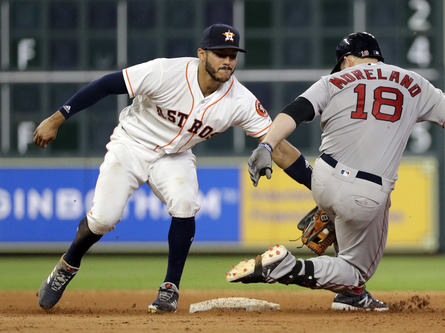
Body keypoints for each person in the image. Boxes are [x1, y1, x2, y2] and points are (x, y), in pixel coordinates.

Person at [33, 23, 314, 313]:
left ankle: (170, 289)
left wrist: (317, 184)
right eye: (220, 54)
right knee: (103, 220)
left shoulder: (240, 100)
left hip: (175, 156)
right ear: (201, 54)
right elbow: (107, 84)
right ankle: (68, 264)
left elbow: (277, 144)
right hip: (131, 145)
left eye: (232, 55)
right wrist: (58, 118)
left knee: (185, 203)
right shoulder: (167, 72)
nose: (227, 61)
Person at [226, 32, 445, 311]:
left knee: (346, 227)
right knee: (356, 269)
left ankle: (351, 297)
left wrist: (268, 146)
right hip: (366, 191)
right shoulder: (414, 82)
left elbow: (296, 111)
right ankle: (288, 268)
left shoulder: (333, 81)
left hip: (322, 177)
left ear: (346, 60)